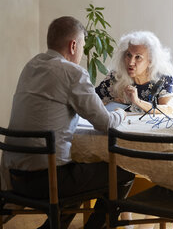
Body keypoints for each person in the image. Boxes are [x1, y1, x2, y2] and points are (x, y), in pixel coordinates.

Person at [0, 16, 135, 229]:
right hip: (47, 181)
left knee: (78, 170)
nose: (81, 52)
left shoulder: (31, 65)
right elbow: (105, 123)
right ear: (73, 45)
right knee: (124, 170)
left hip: (14, 178)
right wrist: (121, 113)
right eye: (82, 45)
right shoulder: (72, 72)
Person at [96, 31, 173, 116]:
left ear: (150, 61)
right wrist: (111, 103)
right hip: (120, 127)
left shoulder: (163, 79)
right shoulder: (115, 77)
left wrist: (138, 102)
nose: (131, 62)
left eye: (138, 57)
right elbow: (89, 101)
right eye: (129, 55)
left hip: (150, 128)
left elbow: (168, 109)